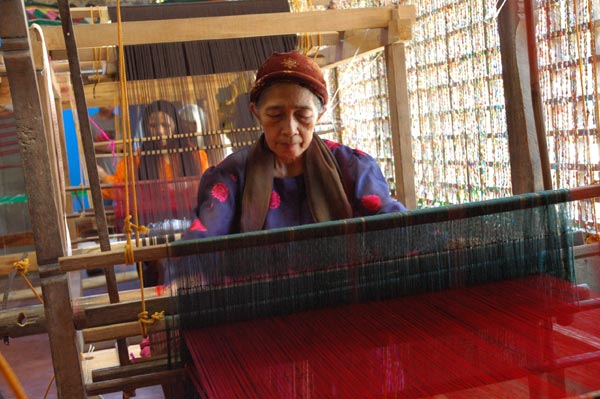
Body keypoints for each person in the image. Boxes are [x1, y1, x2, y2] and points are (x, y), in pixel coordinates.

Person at [184, 50, 406, 240]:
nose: (289, 129)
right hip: (264, 291)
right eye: (275, 114)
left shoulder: (352, 168)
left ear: (319, 115)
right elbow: (205, 234)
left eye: (302, 115)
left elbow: (388, 218)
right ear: (256, 113)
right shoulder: (230, 176)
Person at [98, 100, 209, 286]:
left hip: (190, 230)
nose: (160, 131)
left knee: (194, 278)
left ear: (176, 125)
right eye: (153, 125)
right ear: (145, 127)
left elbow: (205, 188)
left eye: (165, 124)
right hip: (150, 233)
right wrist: (101, 177)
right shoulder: (135, 159)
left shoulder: (195, 155)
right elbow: (118, 190)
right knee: (157, 277)